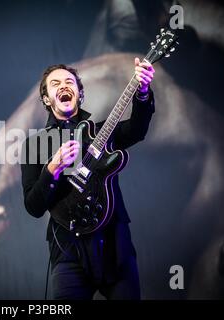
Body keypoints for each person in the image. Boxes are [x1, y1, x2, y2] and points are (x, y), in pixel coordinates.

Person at [20, 58, 155, 300]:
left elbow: (137, 129)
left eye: (70, 82)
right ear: (46, 99)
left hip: (115, 246)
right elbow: (33, 206)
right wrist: (51, 169)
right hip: (67, 251)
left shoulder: (101, 131)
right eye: (55, 83)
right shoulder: (35, 144)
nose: (63, 86)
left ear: (79, 94)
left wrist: (143, 93)